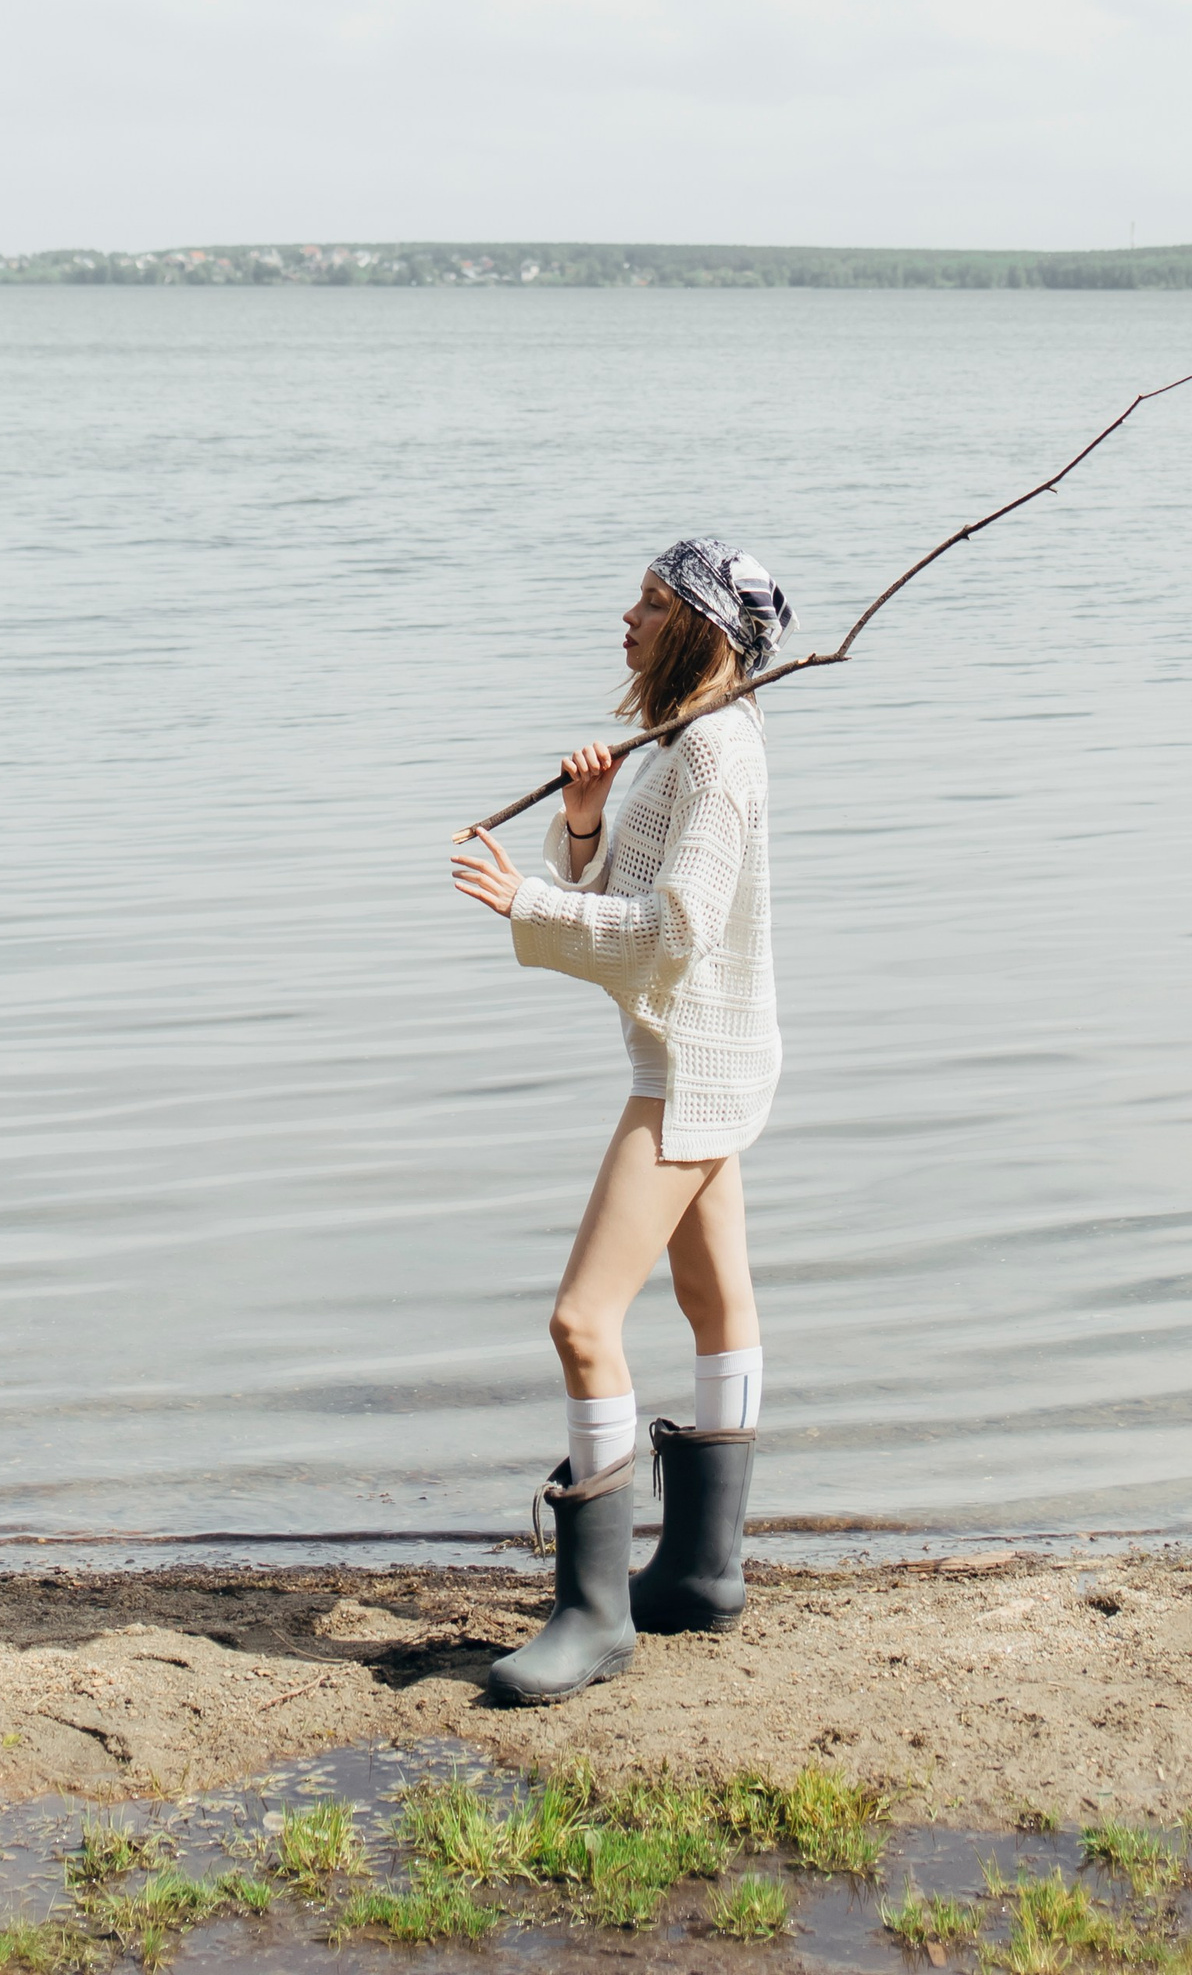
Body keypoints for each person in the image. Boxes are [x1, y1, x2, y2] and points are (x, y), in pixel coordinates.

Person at [449, 536, 791, 1704]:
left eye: (651, 601)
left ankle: (594, 1614)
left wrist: (531, 900)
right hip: (708, 1052)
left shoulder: (718, 755)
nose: (628, 618)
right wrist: (587, 826)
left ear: (702, 626)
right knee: (712, 1298)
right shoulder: (691, 742)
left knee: (580, 1318)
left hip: (689, 1067)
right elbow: (643, 904)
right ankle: (700, 1571)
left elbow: (674, 931)